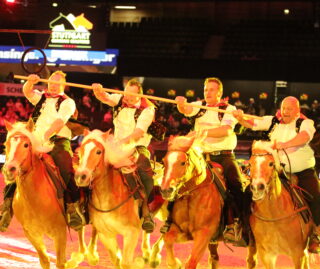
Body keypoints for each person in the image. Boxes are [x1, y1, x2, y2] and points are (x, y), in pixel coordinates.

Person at [0, 71, 86, 232]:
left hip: (58, 140)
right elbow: (27, 92)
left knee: (65, 168)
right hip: (36, 141)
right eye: (51, 82)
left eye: (57, 83)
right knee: (16, 164)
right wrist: (30, 82)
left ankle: (72, 207)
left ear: (63, 86)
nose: (53, 85)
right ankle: (6, 206)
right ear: (47, 83)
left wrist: (47, 134)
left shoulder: (68, 103)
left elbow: (60, 121)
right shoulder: (41, 97)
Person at [162, 77, 246, 241]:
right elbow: (186, 109)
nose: (208, 92)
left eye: (212, 90)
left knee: (236, 185)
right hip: (199, 155)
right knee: (177, 178)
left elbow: (227, 131)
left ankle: (235, 223)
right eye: (206, 89)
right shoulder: (199, 106)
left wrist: (204, 133)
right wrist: (181, 103)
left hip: (223, 155)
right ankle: (170, 219)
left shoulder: (229, 109)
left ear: (220, 92)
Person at [233, 96, 320, 253]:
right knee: (248, 192)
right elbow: (251, 124)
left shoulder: (305, 123)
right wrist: (240, 118)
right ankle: (243, 229)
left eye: (289, 109)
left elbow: (304, 137)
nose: (285, 111)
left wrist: (284, 145)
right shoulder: (273, 121)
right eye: (283, 108)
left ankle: (316, 235)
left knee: (316, 197)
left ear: (298, 111)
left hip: (304, 172)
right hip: (278, 172)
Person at [92, 78, 156, 233]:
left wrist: (120, 145)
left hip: (136, 146)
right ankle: (86, 206)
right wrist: (98, 90)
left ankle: (146, 209)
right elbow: (105, 97)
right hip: (116, 144)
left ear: (139, 96)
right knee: (93, 163)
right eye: (126, 94)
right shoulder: (120, 99)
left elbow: (138, 133)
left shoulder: (147, 109)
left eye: (131, 96)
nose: (127, 98)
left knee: (145, 172)